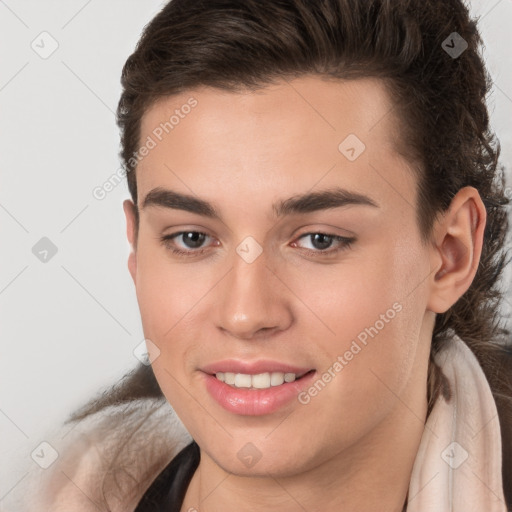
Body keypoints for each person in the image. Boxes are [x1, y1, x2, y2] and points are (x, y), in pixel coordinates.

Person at [9, 0, 512, 511]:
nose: (245, 314)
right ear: (136, 249)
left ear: (450, 253)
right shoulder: (43, 490)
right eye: (192, 238)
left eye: (319, 240)